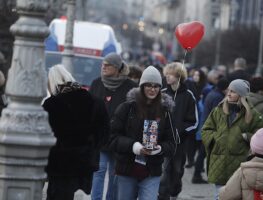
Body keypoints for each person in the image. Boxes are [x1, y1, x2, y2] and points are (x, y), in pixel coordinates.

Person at [108, 66, 176, 200]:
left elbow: (172, 143)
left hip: (152, 170)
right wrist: (134, 146)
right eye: (149, 85)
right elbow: (112, 138)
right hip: (127, 169)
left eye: (156, 86)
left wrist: (160, 149)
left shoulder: (165, 112)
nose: (152, 89)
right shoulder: (127, 108)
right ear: (142, 86)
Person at [43, 64, 109, 200]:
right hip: (85, 162)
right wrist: (92, 146)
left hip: (60, 164)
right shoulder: (95, 101)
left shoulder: (51, 104)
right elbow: (104, 131)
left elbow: (45, 134)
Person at [202, 79, 263, 199]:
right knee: (219, 196)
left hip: (240, 165)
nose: (228, 93)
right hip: (219, 163)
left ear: (241, 95)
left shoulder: (253, 114)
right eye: (228, 90)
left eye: (233, 91)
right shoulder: (218, 110)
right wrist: (216, 139)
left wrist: (246, 137)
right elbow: (206, 130)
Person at [89, 52, 137, 200]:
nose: (103, 67)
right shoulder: (96, 83)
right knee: (98, 171)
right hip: (100, 138)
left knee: (115, 174)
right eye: (103, 64)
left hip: (119, 139)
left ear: (117, 68)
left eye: (108, 65)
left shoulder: (130, 87)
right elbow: (89, 108)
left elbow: (134, 112)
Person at [159, 62, 198, 200]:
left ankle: (174, 194)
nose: (167, 77)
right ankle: (162, 197)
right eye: (166, 74)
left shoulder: (188, 95)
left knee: (177, 172)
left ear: (179, 76)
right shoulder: (162, 94)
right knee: (163, 172)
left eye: (171, 74)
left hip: (179, 144)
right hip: (163, 143)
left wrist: (179, 131)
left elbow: (194, 122)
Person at [192, 78, 229, 184]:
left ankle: (197, 174)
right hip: (210, 129)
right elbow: (217, 114)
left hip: (205, 126)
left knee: (203, 153)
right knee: (204, 153)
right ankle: (197, 175)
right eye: (228, 89)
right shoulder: (218, 97)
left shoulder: (212, 93)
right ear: (224, 89)